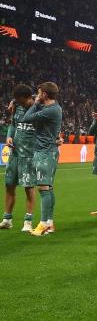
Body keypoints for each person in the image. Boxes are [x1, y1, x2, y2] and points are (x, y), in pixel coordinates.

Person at [13, 82, 62, 237]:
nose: (37, 95)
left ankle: (43, 224)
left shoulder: (50, 110)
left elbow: (26, 118)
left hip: (44, 153)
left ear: (44, 95)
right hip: (48, 151)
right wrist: (15, 102)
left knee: (44, 189)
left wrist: (35, 103)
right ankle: (49, 223)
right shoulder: (53, 107)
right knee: (49, 188)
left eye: (39, 93)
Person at [1, 84, 37, 232]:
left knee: (29, 187)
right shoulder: (17, 106)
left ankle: (28, 222)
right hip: (15, 154)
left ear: (27, 97)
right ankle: (7, 220)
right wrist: (9, 136)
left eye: (20, 100)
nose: (19, 102)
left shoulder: (40, 109)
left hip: (29, 155)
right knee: (9, 185)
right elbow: (13, 125)